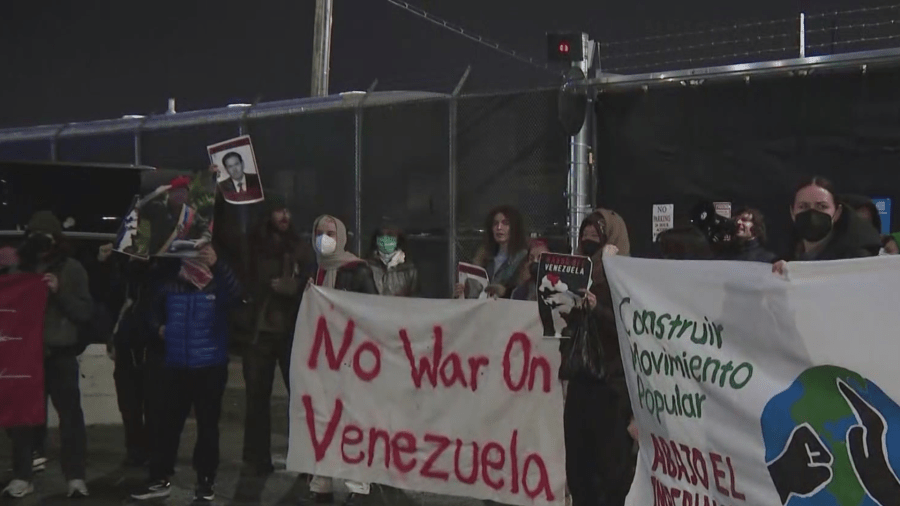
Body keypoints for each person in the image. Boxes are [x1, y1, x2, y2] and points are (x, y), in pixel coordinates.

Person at [130, 245, 241, 503]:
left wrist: (217, 265)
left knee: (208, 427)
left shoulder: (218, 276)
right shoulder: (169, 276)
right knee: (166, 426)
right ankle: (160, 478)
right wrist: (157, 328)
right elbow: (149, 307)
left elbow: (236, 297)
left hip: (210, 364)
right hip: (175, 363)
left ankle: (205, 483)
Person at [2, 211, 92, 499]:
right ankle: (22, 475)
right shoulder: (18, 271)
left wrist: (59, 291)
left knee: (70, 420)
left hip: (61, 356)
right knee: (23, 421)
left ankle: (75, 477)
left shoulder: (73, 269)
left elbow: (85, 312)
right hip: (25, 357)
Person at [561, 209, 635, 506]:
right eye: (585, 234)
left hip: (612, 388)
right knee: (579, 469)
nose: (588, 239)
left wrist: (597, 309)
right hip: (581, 384)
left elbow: (628, 329)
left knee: (611, 474)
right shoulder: (575, 275)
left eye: (597, 234)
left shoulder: (626, 280)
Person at [307, 215, 377, 505]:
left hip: (352, 359)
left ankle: (357, 485)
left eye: (331, 233)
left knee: (354, 419)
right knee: (323, 418)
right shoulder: (319, 270)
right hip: (323, 358)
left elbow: (375, 311)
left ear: (343, 237)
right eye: (319, 233)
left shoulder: (357, 270)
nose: (325, 238)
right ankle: (321, 481)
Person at [241, 199, 312, 476]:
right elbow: (243, 280)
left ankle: (305, 457)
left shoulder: (299, 247)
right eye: (279, 210)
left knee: (300, 396)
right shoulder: (253, 247)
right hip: (260, 331)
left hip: (291, 332)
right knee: (257, 397)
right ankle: (257, 458)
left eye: (288, 210)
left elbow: (311, 280)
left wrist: (294, 287)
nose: (285, 215)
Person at [773, 177, 881, 274]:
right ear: (792, 213)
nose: (812, 213)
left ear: (837, 212)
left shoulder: (857, 259)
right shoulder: (784, 257)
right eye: (803, 206)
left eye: (822, 206)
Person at [455, 205, 529, 299]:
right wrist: (462, 292)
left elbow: (522, 292)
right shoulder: (484, 256)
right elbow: (476, 292)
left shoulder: (523, 257)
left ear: (515, 227)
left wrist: (505, 292)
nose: (499, 227)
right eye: (495, 223)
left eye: (505, 223)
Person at [366, 218, 419, 297]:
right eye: (381, 235)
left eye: (390, 235)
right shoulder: (367, 266)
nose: (385, 238)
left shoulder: (409, 269)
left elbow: (415, 298)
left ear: (398, 239)